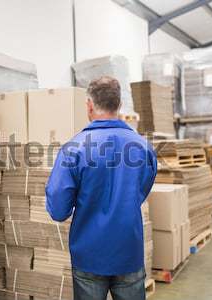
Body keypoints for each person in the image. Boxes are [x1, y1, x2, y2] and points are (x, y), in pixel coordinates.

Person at [45, 76, 157, 300]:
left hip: (89, 253)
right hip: (128, 250)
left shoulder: (73, 149)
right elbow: (141, 190)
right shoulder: (143, 148)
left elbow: (58, 209)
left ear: (89, 105)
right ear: (119, 105)